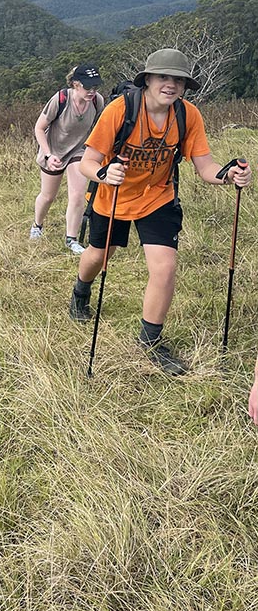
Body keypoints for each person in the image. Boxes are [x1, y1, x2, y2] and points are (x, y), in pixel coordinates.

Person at [72, 48, 252, 376]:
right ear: (148, 80)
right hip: (113, 197)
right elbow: (87, 161)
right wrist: (103, 174)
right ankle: (80, 291)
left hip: (157, 197)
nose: (170, 85)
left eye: (178, 80)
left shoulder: (187, 116)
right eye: (163, 77)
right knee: (99, 257)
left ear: (185, 86)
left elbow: (206, 167)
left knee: (165, 267)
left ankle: (151, 341)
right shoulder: (120, 110)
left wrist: (229, 175)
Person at [31, 65, 104, 255]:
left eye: (95, 86)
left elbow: (98, 129)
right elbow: (39, 128)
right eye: (88, 87)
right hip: (54, 151)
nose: (92, 91)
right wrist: (48, 154)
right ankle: (37, 225)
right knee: (48, 196)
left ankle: (71, 239)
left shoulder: (97, 101)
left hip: (79, 150)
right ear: (75, 84)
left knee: (78, 194)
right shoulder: (61, 99)